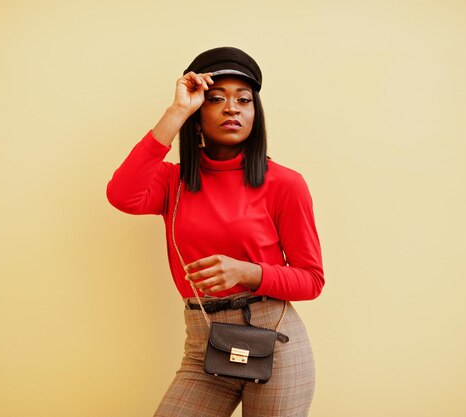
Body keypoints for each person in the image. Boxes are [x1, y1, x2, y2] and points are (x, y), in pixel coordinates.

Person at [107, 47, 324, 417]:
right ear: (197, 114)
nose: (232, 108)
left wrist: (247, 272)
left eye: (244, 100)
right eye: (216, 99)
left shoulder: (285, 184)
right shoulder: (171, 181)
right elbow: (122, 195)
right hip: (203, 342)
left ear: (256, 113)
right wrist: (176, 111)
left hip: (277, 344)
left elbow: (311, 280)